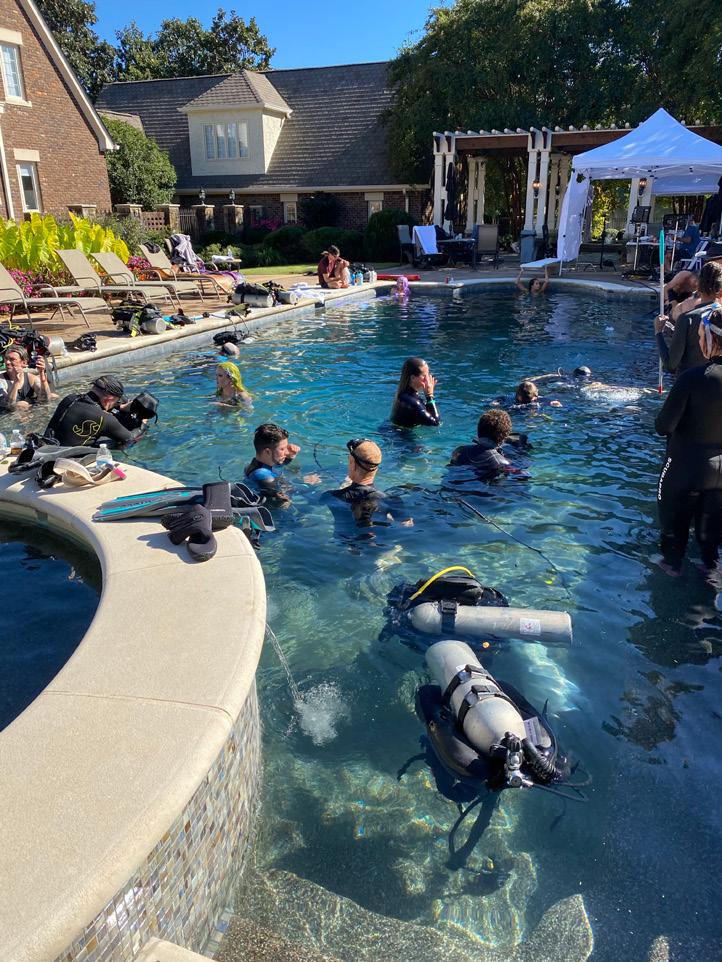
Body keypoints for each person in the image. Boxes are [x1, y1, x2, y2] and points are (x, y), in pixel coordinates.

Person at [655, 306, 722, 576]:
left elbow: (663, 427)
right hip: (720, 472)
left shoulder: (693, 378)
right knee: (710, 549)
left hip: (685, 467)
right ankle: (710, 582)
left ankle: (670, 577)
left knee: (672, 546)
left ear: (710, 339)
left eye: (700, 335)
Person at [324, 438, 413, 528]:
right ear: (376, 467)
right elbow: (408, 526)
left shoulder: (330, 496)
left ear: (352, 463)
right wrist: (388, 520)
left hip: (343, 537)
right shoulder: (391, 500)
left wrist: (313, 484)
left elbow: (314, 503)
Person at [43, 375, 149, 447]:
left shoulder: (69, 398)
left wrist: (120, 406)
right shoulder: (104, 418)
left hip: (47, 448)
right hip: (71, 460)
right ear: (109, 398)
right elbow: (130, 438)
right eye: (116, 401)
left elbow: (96, 406)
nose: (116, 404)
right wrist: (143, 422)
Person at [656, 261, 722, 374]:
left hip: (689, 381)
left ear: (698, 289)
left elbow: (671, 365)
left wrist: (658, 332)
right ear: (720, 292)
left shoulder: (687, 319)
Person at [449, 409, 529, 482]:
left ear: (478, 430)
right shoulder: (501, 462)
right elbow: (524, 476)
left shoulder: (459, 451)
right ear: (504, 437)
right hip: (482, 491)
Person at [244, 422, 302, 505]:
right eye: (282, 449)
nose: (286, 452)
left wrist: (290, 456)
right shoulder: (264, 477)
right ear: (267, 451)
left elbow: (277, 466)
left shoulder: (253, 465)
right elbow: (282, 500)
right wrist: (306, 483)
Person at [0, 345, 56, 412]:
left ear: (24, 362)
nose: (7, 362)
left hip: (30, 412)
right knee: (22, 404)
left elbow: (45, 399)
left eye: (12, 359)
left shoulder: (31, 378)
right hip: (8, 415)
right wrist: (16, 382)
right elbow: (8, 405)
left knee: (53, 396)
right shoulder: (1, 380)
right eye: (6, 358)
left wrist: (42, 375)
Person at [390, 357, 440, 427]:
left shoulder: (403, 394)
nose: (428, 379)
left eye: (428, 374)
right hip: (400, 433)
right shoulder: (412, 402)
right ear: (413, 378)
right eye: (424, 376)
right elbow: (436, 423)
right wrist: (429, 396)